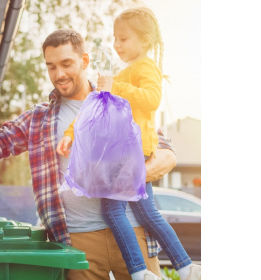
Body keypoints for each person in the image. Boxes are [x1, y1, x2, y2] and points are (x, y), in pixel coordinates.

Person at [0, 28, 176, 280]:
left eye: (66, 64)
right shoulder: (39, 119)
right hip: (78, 239)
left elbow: (167, 154)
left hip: (133, 230)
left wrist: (122, 179)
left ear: (84, 61)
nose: (59, 74)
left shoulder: (120, 98)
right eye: (51, 67)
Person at [56, 7, 200, 280]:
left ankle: (138, 271)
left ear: (144, 41)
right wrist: (71, 133)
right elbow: (92, 110)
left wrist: (115, 86)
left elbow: (151, 98)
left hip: (129, 152)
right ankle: (185, 266)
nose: (116, 44)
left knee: (112, 209)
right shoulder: (126, 72)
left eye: (124, 38)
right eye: (115, 38)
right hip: (127, 152)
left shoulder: (145, 67)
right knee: (148, 212)